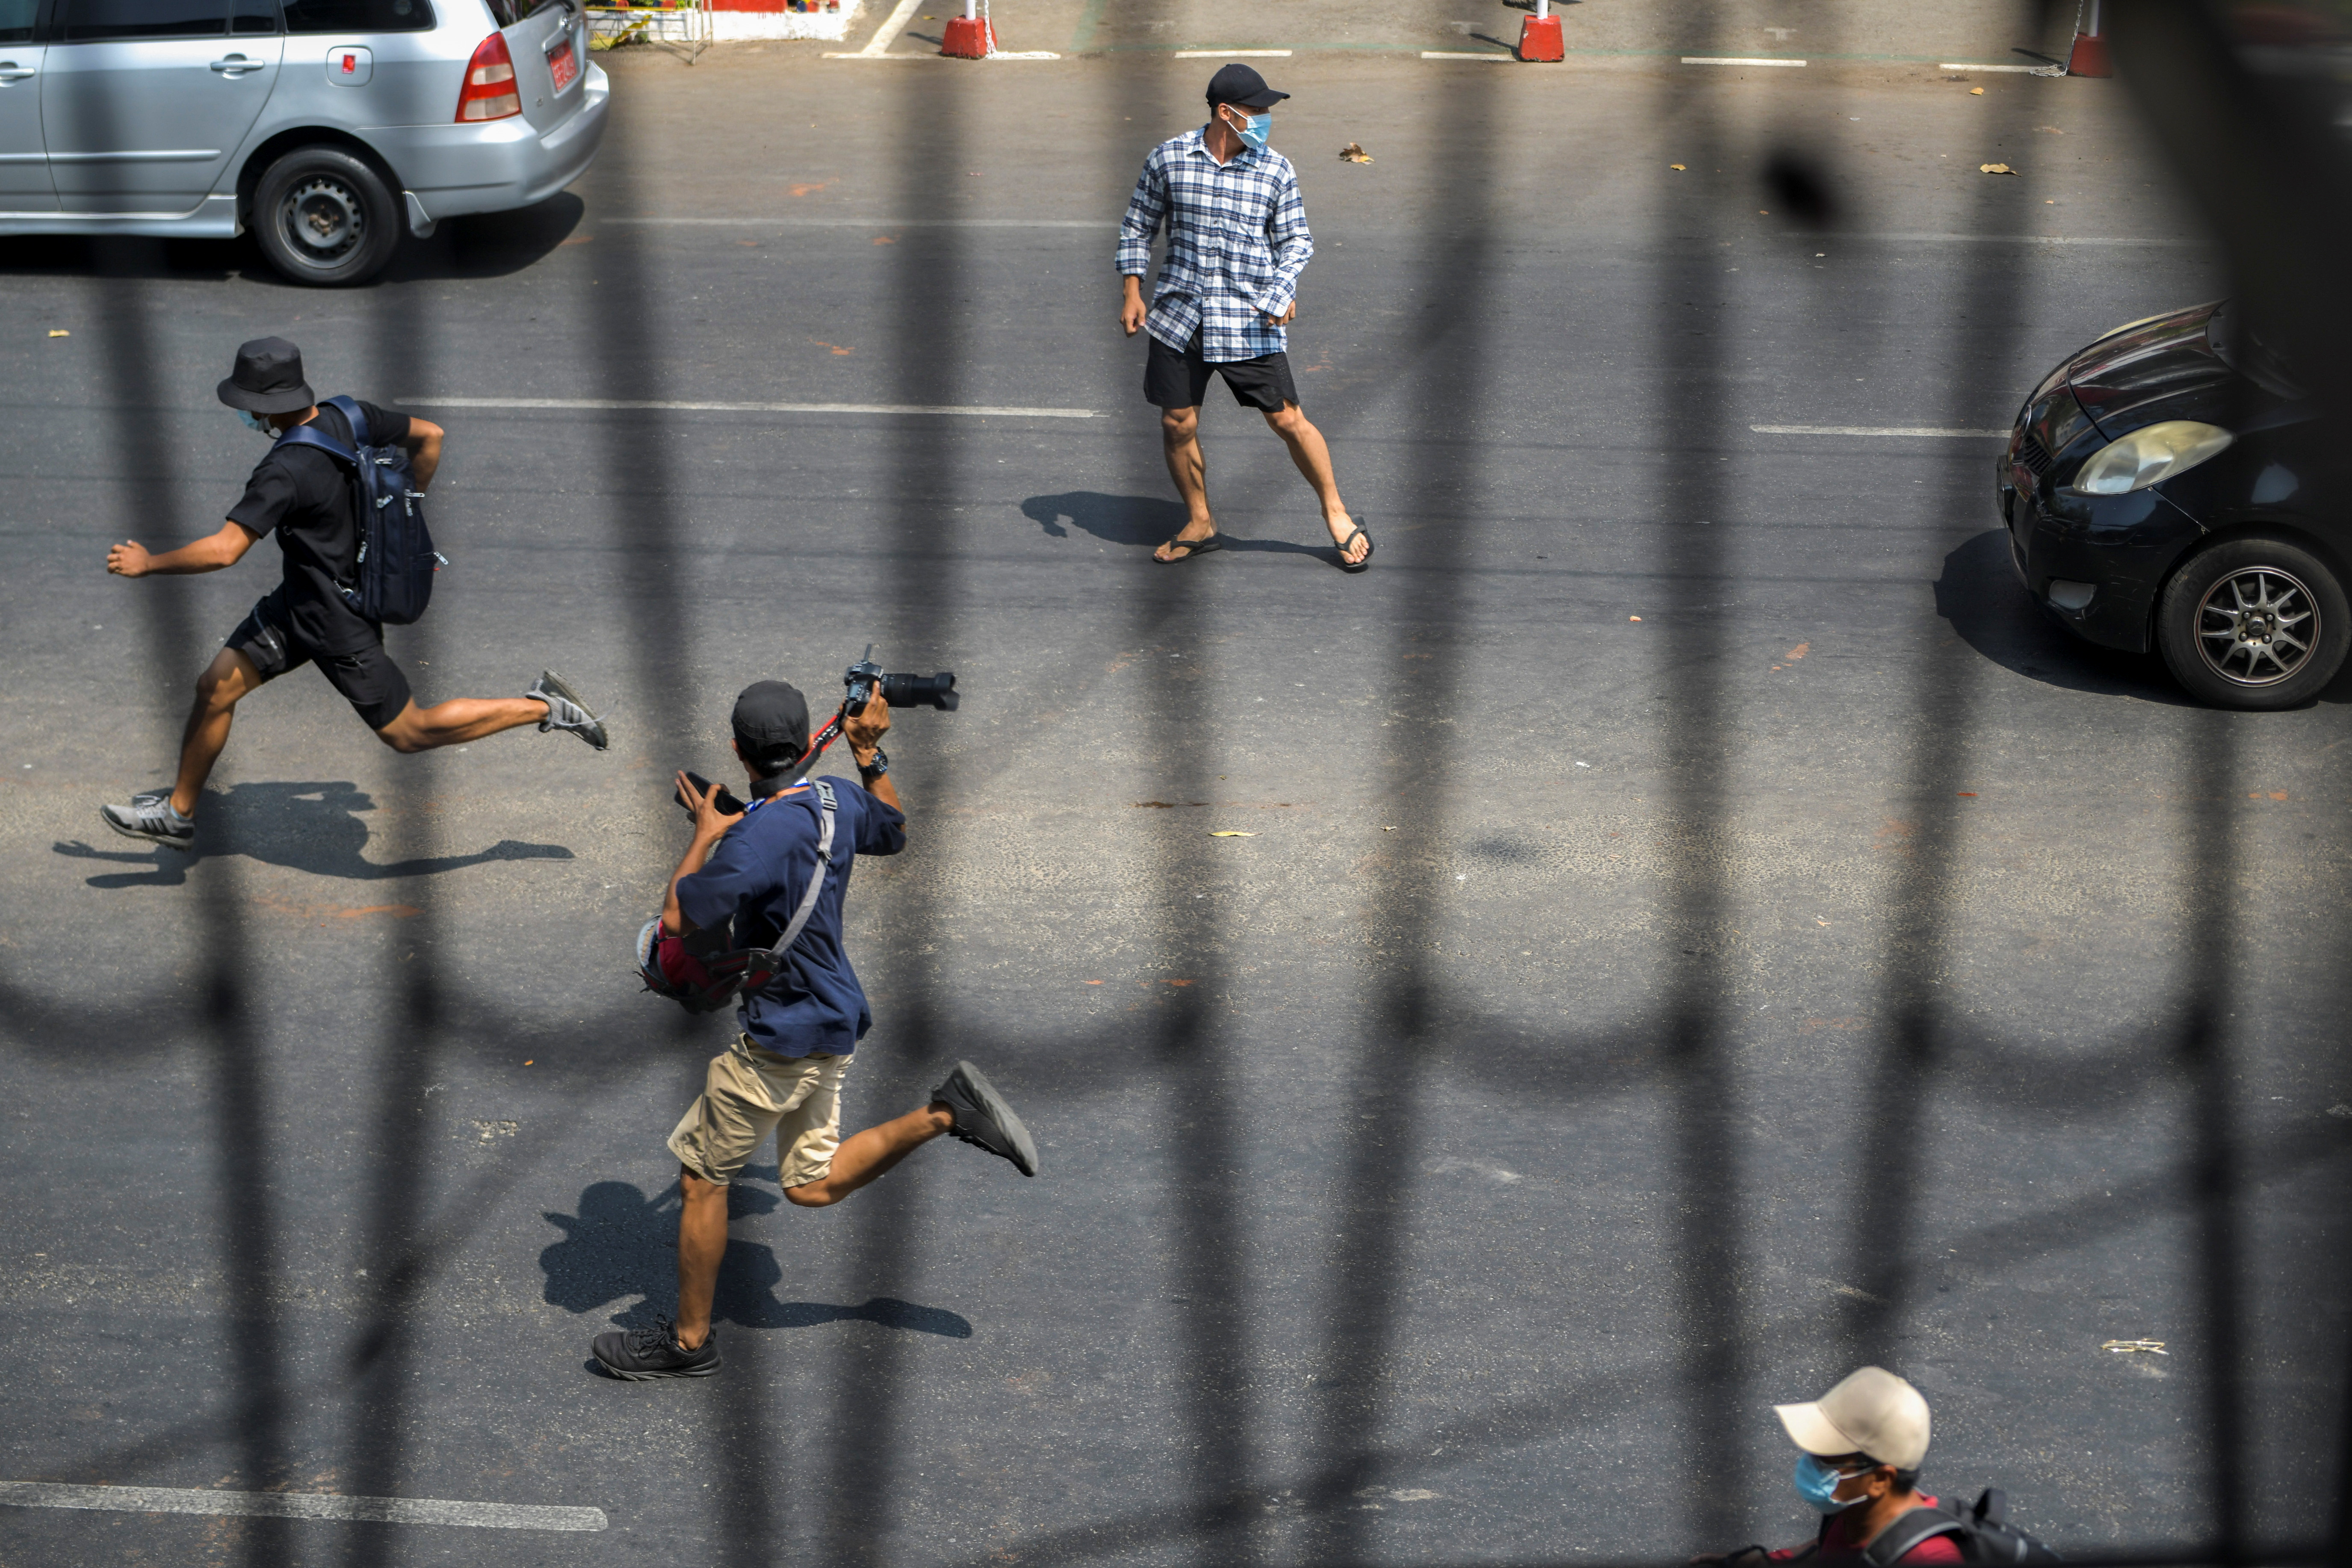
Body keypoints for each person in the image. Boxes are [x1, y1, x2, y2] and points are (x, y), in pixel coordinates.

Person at [592, 677, 1039, 1380]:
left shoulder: (754, 838)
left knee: (701, 1180)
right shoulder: (835, 798)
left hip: (780, 1032)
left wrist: (709, 836)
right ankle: (949, 1110)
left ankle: (687, 1342)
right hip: (833, 1014)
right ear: (807, 744)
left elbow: (678, 922)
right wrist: (869, 755)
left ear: (739, 751)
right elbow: (893, 829)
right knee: (810, 1182)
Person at [99, 337, 607, 851]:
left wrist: (148, 565)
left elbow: (225, 550)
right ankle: (178, 814)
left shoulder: (283, 470)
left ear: (260, 406)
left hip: (335, 617)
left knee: (410, 732)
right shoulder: (351, 415)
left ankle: (545, 707)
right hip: (298, 600)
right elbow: (430, 436)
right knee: (216, 688)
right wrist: (406, 514)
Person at [1116, 62, 1372, 573]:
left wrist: (1282, 291)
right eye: (1256, 111)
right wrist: (1132, 290)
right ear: (1225, 113)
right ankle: (1199, 521)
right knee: (1176, 422)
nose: (1264, 119)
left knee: (1287, 419)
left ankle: (1337, 513)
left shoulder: (1275, 169)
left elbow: (1296, 240)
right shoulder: (1168, 159)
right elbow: (1137, 225)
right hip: (1178, 315)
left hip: (1247, 317)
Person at [1695, 1366, 1960, 1568]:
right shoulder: (1857, 1511)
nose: (1808, 1464)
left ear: (1880, 1479)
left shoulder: (1929, 1558)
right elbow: (1830, 1549)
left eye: (1826, 1459)